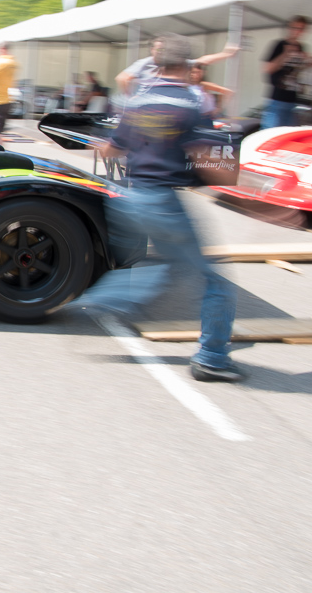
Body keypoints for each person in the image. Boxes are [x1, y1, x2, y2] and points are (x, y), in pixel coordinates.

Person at [73, 33, 241, 382]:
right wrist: (246, 191)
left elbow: (112, 150)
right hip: (163, 201)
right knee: (216, 282)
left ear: (158, 63)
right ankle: (211, 357)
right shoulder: (193, 103)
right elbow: (205, 159)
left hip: (130, 200)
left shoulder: (138, 99)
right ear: (190, 66)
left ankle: (108, 295)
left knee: (170, 268)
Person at [116, 37, 238, 97]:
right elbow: (122, 78)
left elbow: (203, 60)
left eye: (163, 49)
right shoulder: (145, 63)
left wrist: (225, 54)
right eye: (158, 49)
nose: (160, 51)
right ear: (152, 50)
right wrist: (129, 98)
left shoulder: (174, 62)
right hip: (147, 105)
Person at [261, 16, 310, 129]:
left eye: (301, 29)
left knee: (288, 136)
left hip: (293, 100)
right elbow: (267, 69)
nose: (297, 31)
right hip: (277, 99)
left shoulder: (302, 47)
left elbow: (298, 72)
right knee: (270, 135)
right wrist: (285, 54)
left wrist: (308, 63)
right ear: (289, 28)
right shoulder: (279, 45)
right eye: (295, 28)